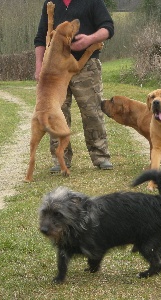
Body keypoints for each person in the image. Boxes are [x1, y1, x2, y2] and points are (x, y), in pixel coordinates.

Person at [34, 0, 115, 173]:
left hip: (87, 67)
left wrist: (90, 40)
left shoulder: (92, 2)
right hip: (55, 72)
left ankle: (100, 156)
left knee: (92, 111)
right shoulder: (51, 4)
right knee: (56, 114)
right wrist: (39, 66)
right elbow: (41, 37)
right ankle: (60, 159)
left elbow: (108, 27)